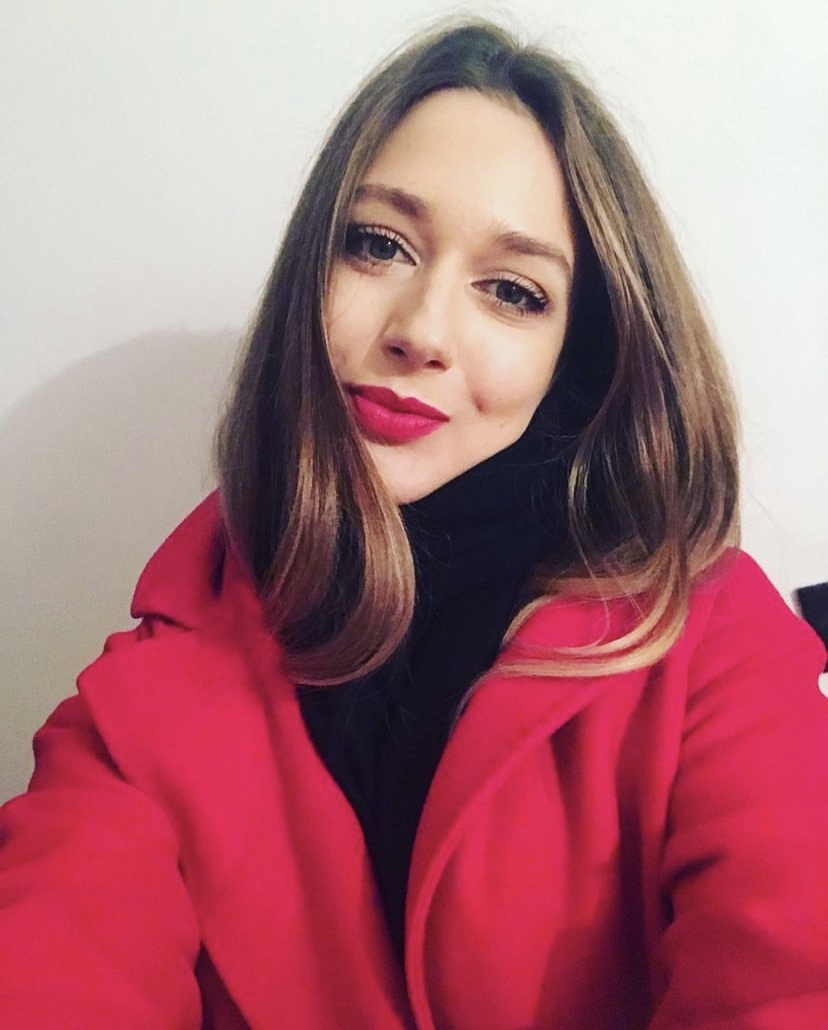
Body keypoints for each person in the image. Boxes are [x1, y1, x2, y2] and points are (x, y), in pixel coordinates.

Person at [1, 18, 827, 1030]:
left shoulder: (710, 643)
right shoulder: (146, 693)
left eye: (512, 291)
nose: (421, 330)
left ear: (581, 351)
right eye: (378, 244)